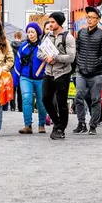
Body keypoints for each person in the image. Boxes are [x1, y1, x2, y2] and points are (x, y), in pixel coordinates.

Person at [38, 12, 76, 140]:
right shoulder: (46, 37)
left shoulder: (68, 37)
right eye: (49, 22)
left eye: (53, 22)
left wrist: (55, 57)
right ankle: (57, 121)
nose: (50, 24)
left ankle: (61, 128)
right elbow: (39, 53)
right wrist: (47, 58)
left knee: (61, 102)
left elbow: (71, 57)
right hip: (48, 72)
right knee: (46, 99)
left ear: (59, 23)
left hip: (63, 73)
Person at [73, 6, 102, 135]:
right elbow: (76, 50)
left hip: (95, 73)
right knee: (78, 97)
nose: (89, 20)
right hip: (81, 71)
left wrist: (96, 63)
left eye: (92, 17)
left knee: (95, 99)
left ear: (98, 19)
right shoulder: (81, 33)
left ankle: (93, 125)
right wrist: (78, 62)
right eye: (87, 17)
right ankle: (81, 123)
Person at [14, 22, 48, 134]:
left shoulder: (43, 46)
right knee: (26, 98)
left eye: (32, 32)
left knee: (41, 102)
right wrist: (15, 81)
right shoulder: (23, 47)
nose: (30, 34)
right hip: (25, 77)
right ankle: (27, 125)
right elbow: (17, 64)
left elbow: (49, 61)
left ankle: (41, 124)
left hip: (41, 78)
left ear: (37, 33)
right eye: (28, 32)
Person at [10, 31, 24, 111]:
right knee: (20, 90)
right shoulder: (23, 46)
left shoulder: (10, 46)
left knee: (12, 89)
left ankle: (12, 107)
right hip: (21, 69)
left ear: (14, 36)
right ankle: (20, 108)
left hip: (12, 69)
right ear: (21, 37)